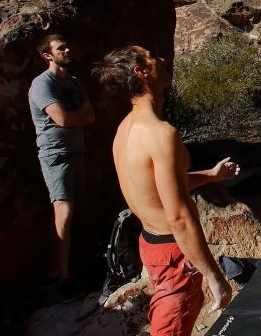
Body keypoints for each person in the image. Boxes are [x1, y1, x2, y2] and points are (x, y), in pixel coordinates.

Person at [93, 45, 238, 336]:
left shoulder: (126, 128)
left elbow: (157, 188)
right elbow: (178, 216)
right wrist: (214, 277)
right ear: (141, 72)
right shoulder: (161, 134)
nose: (160, 58)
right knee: (171, 327)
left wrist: (210, 176)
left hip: (151, 242)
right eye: (150, 56)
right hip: (174, 251)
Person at [28, 34, 95, 293]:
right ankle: (63, 279)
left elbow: (91, 117)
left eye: (68, 45)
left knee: (68, 212)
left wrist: (72, 116)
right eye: (61, 48)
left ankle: (55, 268)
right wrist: (74, 116)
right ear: (48, 55)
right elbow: (63, 120)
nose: (68, 50)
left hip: (77, 151)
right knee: (64, 212)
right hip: (56, 154)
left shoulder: (75, 82)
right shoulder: (41, 84)